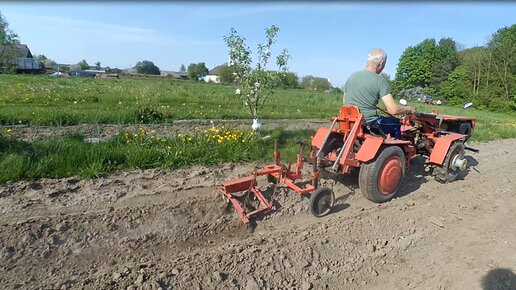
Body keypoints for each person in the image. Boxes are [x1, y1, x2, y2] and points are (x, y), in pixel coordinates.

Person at [343, 48, 414, 138]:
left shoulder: (352, 76)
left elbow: (345, 100)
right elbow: (393, 110)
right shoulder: (380, 80)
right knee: (395, 123)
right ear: (381, 64)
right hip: (368, 124)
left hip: (348, 121)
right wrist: (409, 109)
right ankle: (399, 150)